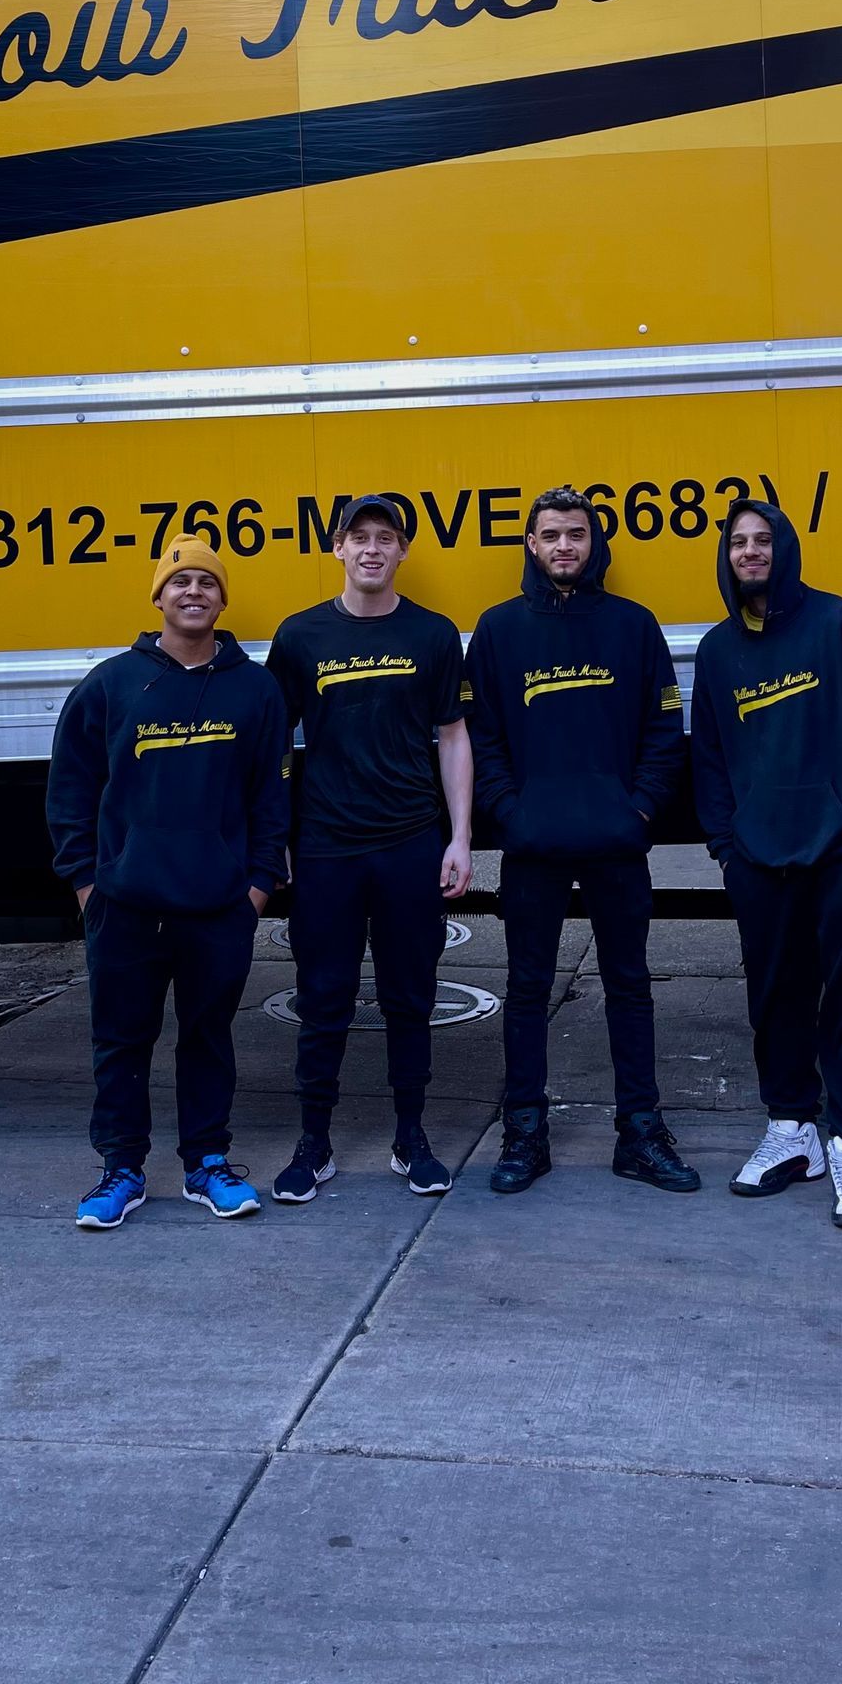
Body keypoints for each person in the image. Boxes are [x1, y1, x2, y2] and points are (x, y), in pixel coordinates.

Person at [46, 535, 289, 1229]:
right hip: (125, 907)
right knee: (121, 1040)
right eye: (179, 581)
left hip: (218, 906)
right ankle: (121, 1170)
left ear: (222, 599)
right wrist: (90, 888)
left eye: (206, 583)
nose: (193, 592)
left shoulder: (255, 688)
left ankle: (207, 1164)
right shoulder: (110, 684)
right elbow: (70, 794)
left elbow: (272, 800)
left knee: (208, 1036)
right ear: (158, 596)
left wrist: (255, 891)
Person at [464, 485, 698, 1196]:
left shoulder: (633, 625)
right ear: (530, 545)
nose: (564, 545)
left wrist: (639, 811)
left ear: (594, 544)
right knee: (527, 990)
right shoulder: (499, 630)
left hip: (615, 842)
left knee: (629, 988)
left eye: (576, 534)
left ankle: (640, 1135)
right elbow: (483, 736)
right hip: (533, 844)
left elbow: (664, 731)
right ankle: (525, 1135)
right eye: (550, 535)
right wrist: (510, 811)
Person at [691, 500, 842, 1231]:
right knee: (775, 999)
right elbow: (711, 757)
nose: (750, 553)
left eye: (762, 541)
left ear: (784, 548)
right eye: (738, 544)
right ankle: (792, 1133)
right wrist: (727, 846)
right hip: (760, 859)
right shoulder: (719, 651)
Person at [265, 494, 473, 1204]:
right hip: (326, 849)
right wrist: (280, 837)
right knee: (323, 999)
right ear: (338, 549)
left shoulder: (435, 635)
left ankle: (410, 1138)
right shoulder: (299, 638)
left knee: (409, 999)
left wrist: (461, 838)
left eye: (386, 537)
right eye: (360, 537)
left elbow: (452, 736)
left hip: (410, 843)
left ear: (403, 551)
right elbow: (272, 746)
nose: (373, 549)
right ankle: (313, 1143)